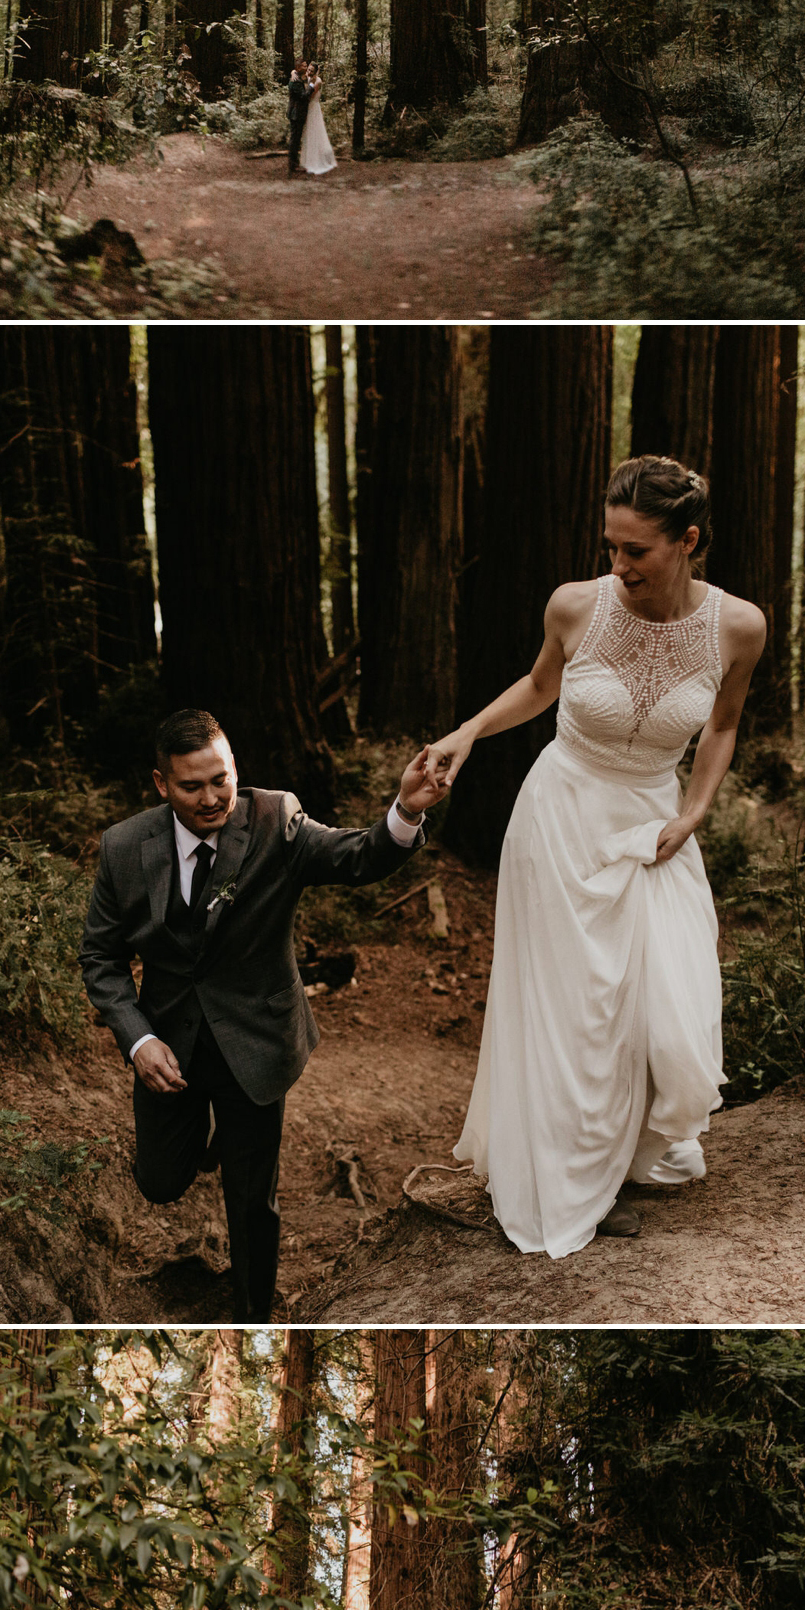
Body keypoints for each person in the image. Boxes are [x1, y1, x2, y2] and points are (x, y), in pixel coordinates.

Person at [428, 456, 766, 1260]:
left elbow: (721, 724)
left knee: (658, 1001)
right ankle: (577, 1174)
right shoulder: (576, 606)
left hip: (653, 824)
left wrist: (696, 810)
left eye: (636, 551)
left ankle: (628, 1149)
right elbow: (541, 687)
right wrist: (466, 733)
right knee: (576, 1007)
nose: (617, 564)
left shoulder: (738, 626)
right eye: (610, 546)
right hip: (561, 818)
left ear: (687, 541)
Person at [79, 707, 446, 1323]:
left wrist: (405, 811)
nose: (211, 797)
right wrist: (138, 1040)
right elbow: (100, 955)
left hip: (257, 1043)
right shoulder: (123, 848)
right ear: (161, 785)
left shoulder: (276, 819)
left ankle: (253, 1312)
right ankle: (205, 1139)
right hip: (171, 1044)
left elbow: (357, 857)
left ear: (234, 769)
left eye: (220, 779)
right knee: (160, 1182)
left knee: (252, 1200)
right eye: (191, 786)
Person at [299, 62, 338, 178]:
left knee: (314, 132)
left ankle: (316, 161)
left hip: (313, 107)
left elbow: (310, 96)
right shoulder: (307, 78)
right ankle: (307, 160)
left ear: (316, 72)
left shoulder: (318, 81)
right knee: (308, 133)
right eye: (308, 70)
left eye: (311, 71)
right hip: (307, 108)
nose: (308, 72)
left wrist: (308, 86)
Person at [287, 57, 313, 174]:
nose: (306, 67)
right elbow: (303, 96)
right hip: (296, 114)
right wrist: (311, 88)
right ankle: (293, 164)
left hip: (297, 113)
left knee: (296, 138)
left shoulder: (297, 76)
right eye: (303, 66)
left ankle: (294, 162)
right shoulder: (295, 81)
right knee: (295, 139)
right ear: (298, 68)